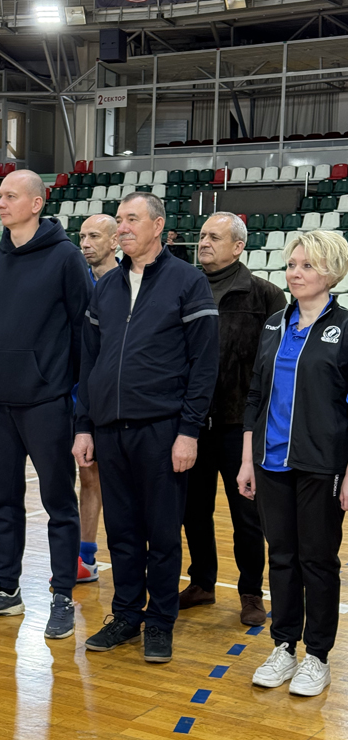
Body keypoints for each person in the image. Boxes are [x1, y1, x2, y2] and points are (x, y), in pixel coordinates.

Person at [73, 192, 219, 663]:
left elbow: (204, 365)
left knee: (162, 533)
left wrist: (188, 431)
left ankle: (160, 622)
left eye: (132, 219)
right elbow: (89, 361)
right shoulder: (106, 287)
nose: (122, 228)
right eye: (119, 220)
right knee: (122, 531)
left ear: (158, 226)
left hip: (163, 430)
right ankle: (126, 615)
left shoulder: (187, 281)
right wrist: (84, 425)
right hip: (109, 430)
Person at [0, 170, 91, 639]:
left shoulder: (66, 258)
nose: (0, 203)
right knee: (3, 500)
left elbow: (84, 333)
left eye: (10, 196)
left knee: (59, 503)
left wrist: (78, 405)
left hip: (47, 403)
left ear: (37, 203)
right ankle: (6, 588)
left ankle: (62, 595)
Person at [237, 230, 348, 697]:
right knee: (280, 557)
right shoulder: (274, 325)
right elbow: (255, 396)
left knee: (317, 561)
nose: (294, 273)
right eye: (291, 265)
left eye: (306, 265)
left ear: (331, 272)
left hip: (321, 465)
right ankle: (284, 645)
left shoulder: (344, 328)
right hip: (270, 462)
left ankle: (317, 656)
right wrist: (248, 460)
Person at [180, 213, 287, 626]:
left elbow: (276, 364)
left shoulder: (265, 295)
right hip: (192, 423)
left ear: (238, 246)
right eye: (202, 235)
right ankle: (202, 583)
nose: (204, 242)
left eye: (214, 236)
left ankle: (250, 592)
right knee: (194, 510)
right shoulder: (185, 286)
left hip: (240, 427)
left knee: (247, 516)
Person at [76, 214, 120, 582]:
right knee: (86, 474)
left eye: (94, 236)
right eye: (82, 236)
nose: (86, 243)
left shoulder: (131, 282)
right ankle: (84, 557)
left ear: (115, 241)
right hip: (76, 391)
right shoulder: (76, 281)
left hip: (117, 396)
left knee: (120, 483)